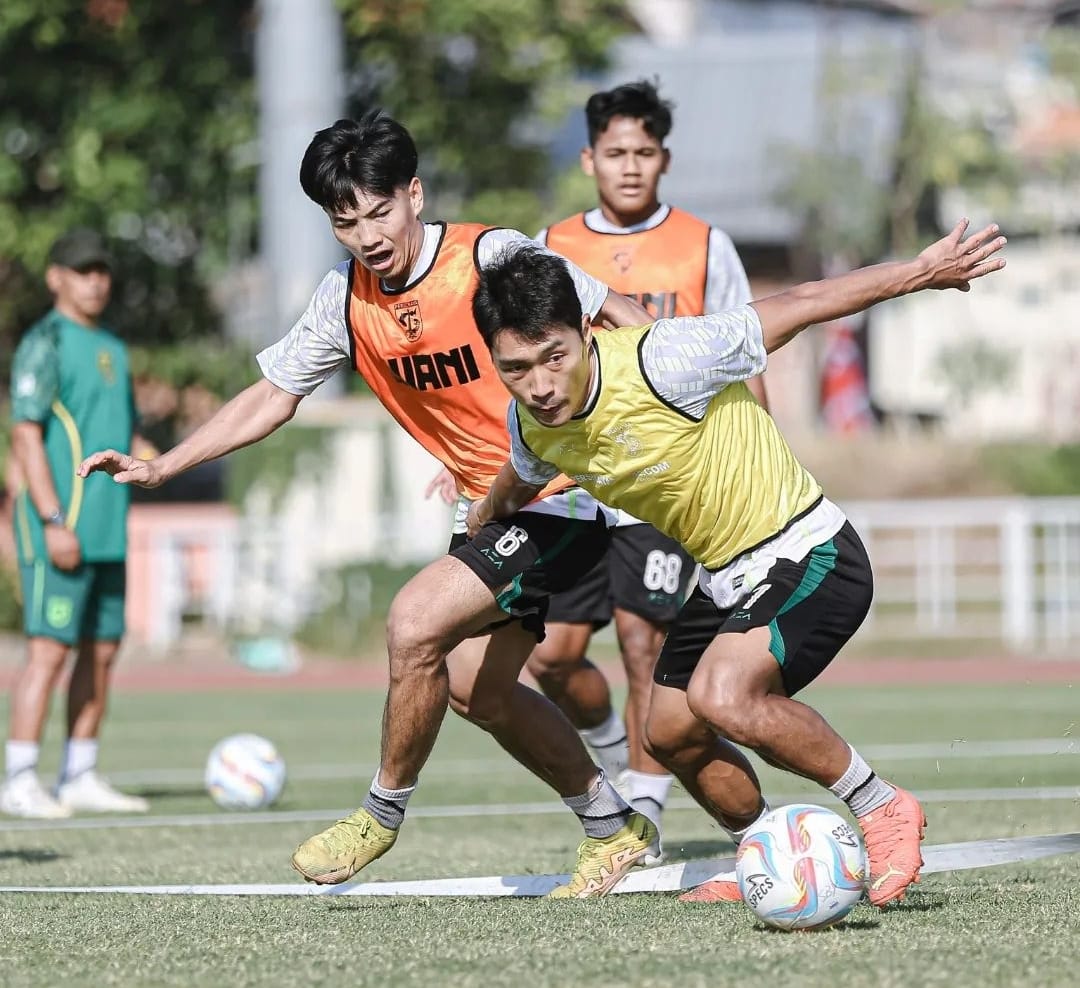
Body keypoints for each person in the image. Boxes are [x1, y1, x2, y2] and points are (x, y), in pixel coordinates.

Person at [79, 111, 667, 898]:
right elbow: (272, 396)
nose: (366, 234)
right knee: (475, 690)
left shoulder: (493, 256)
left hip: (569, 494)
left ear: (415, 194)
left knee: (412, 621)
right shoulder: (344, 302)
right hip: (490, 511)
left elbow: (616, 315)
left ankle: (381, 814)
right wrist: (163, 465)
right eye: (344, 219)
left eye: (380, 210)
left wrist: (683, 394)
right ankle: (613, 825)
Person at [465, 219, 1007, 906]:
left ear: (584, 330)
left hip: (809, 550)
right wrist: (482, 518)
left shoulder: (665, 359)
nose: (540, 383)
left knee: (723, 696)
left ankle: (881, 805)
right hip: (726, 578)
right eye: (515, 368)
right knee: (667, 732)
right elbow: (520, 474)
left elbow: (806, 300)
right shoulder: (532, 421)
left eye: (553, 356)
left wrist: (921, 272)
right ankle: (766, 851)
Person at [527, 79, 769, 861]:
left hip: (665, 480)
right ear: (590, 157)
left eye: (644, 152)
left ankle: (646, 809)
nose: (629, 167)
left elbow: (745, 353)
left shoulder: (706, 245)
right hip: (576, 481)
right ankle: (609, 740)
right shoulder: (551, 245)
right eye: (614, 153)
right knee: (553, 657)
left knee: (642, 641)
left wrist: (759, 450)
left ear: (664, 158)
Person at [1, 229, 149, 819]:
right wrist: (52, 519)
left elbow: (129, 438)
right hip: (61, 528)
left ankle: (79, 772)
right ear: (55, 277)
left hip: (110, 531)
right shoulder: (46, 343)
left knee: (104, 651)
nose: (95, 280)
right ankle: (17, 777)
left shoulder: (114, 346)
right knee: (49, 653)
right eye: (82, 270)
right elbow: (25, 436)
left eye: (101, 270)